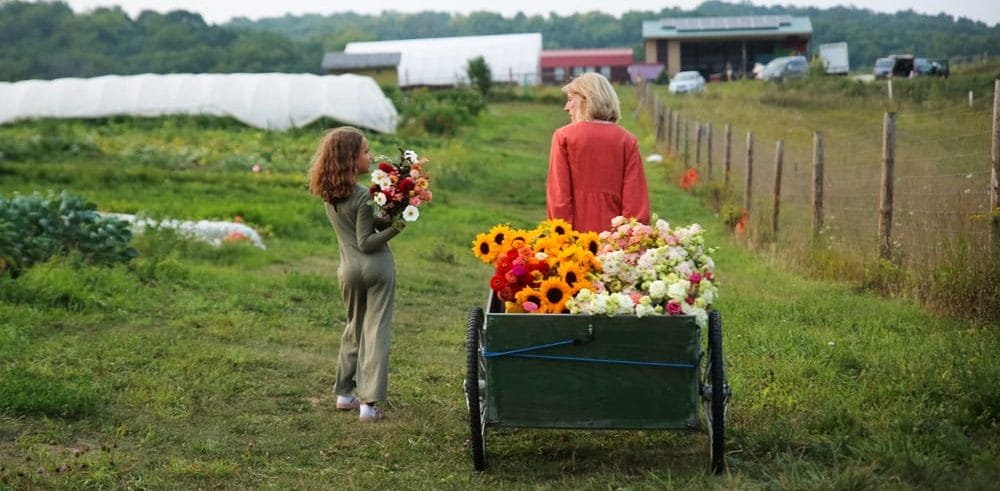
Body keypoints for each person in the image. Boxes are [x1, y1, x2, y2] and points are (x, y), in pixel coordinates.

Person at [308, 126, 402, 422]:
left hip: (348, 270)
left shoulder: (330, 194)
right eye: (365, 151)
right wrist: (395, 228)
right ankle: (369, 405)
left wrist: (381, 217)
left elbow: (356, 229)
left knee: (353, 328)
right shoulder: (362, 195)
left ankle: (344, 394)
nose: (370, 156)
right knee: (375, 332)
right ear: (350, 158)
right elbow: (367, 242)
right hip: (375, 268)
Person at [547, 72, 650, 233]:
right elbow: (635, 201)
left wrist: (561, 238)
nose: (566, 107)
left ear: (586, 100)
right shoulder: (627, 140)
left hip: (576, 239)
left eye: (570, 100)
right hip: (615, 243)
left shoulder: (564, 137)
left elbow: (559, 197)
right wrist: (629, 243)